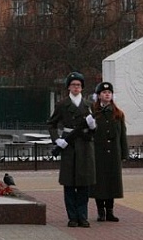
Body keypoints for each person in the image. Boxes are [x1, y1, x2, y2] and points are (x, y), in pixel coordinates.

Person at [48, 71, 97, 228]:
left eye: (79, 85)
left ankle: (83, 216)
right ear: (69, 87)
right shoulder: (62, 105)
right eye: (73, 85)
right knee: (69, 184)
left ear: (82, 87)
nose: (76, 87)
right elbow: (52, 124)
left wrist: (92, 127)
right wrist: (57, 139)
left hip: (84, 145)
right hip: (69, 146)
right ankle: (72, 217)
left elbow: (94, 130)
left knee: (83, 184)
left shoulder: (88, 105)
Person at [89, 81, 128, 222]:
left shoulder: (118, 113)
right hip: (98, 153)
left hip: (113, 153)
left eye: (109, 93)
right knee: (99, 183)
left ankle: (110, 210)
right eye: (104, 93)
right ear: (99, 95)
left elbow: (122, 134)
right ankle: (100, 211)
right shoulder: (93, 112)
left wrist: (124, 153)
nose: (107, 94)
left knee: (112, 182)